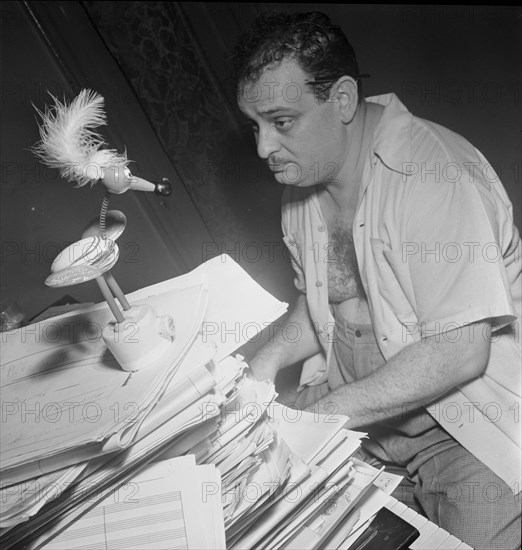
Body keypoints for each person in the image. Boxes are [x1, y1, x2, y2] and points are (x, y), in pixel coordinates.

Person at [231, 10, 521, 550]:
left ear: (341, 99)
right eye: (255, 125)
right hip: (363, 422)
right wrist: (259, 369)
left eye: (281, 121)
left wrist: (313, 419)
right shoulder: (302, 186)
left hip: (463, 432)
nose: (263, 147)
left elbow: (460, 352)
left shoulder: (434, 176)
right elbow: (322, 299)